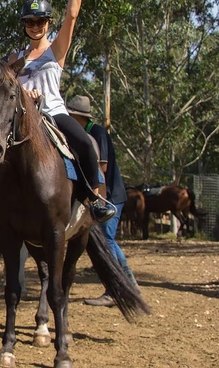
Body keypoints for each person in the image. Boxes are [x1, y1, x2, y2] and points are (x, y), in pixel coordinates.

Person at [5, 0, 116, 222]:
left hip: (53, 112)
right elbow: (7, 87)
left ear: (47, 23)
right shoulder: (15, 57)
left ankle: (95, 199)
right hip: (22, 117)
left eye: (40, 21)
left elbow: (73, 15)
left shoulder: (56, 50)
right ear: (24, 25)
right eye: (30, 22)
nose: (35, 26)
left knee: (87, 145)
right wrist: (23, 94)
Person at [67, 95, 138, 306]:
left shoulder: (96, 133)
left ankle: (125, 285)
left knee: (107, 241)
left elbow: (102, 167)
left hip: (110, 196)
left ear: (75, 116)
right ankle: (125, 285)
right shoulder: (84, 133)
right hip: (102, 194)